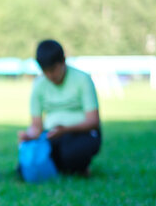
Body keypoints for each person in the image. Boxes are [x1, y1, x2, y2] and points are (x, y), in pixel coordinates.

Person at [18, 39, 101, 176]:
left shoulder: (82, 79)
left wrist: (65, 130)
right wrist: (29, 135)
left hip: (82, 133)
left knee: (71, 153)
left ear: (63, 61)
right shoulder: (38, 85)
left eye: (53, 70)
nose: (50, 76)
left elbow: (93, 121)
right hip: (52, 134)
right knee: (24, 167)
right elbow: (36, 125)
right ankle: (67, 167)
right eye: (45, 71)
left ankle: (78, 166)